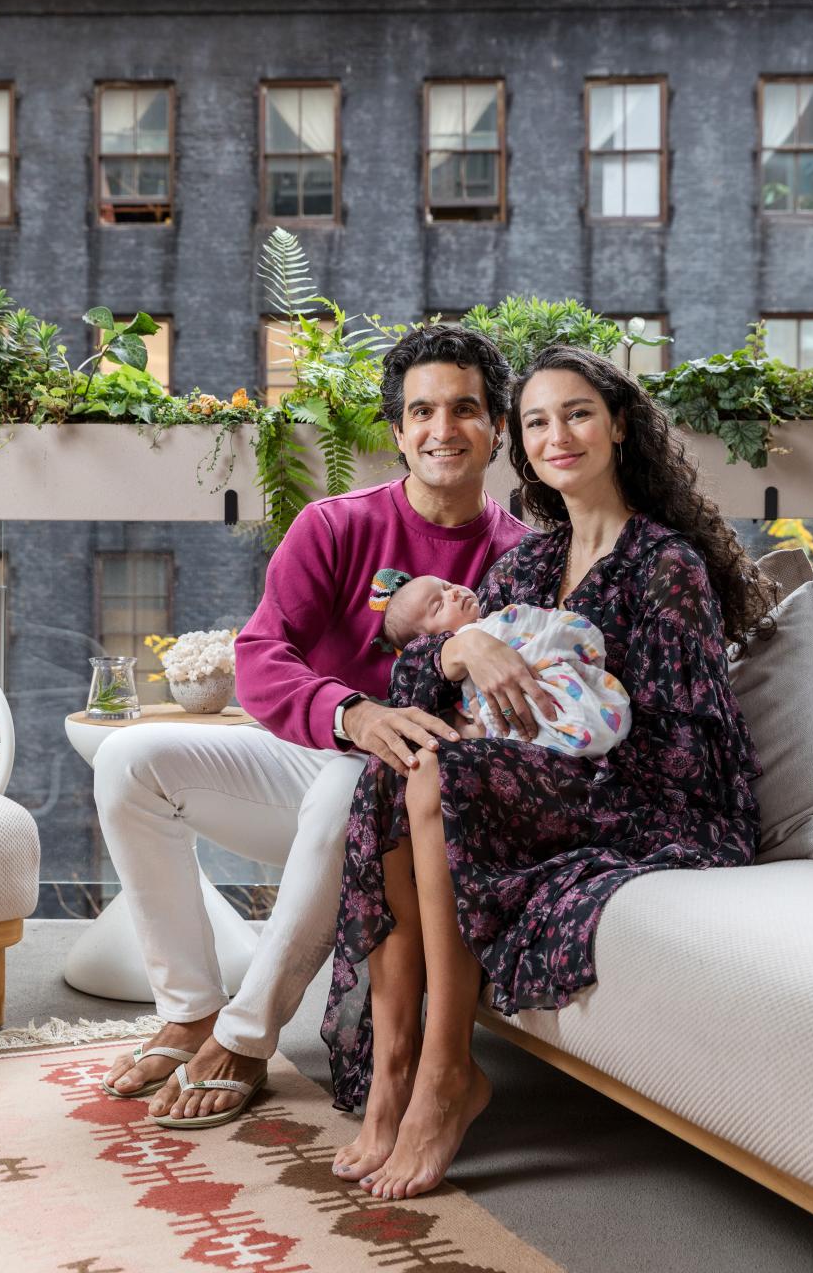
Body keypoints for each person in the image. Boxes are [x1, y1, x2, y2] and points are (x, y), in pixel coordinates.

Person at [322, 343, 777, 1200]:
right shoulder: (529, 559)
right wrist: (461, 644)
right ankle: (395, 1068)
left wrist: (536, 747)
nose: (556, 434)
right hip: (539, 782)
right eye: (536, 421)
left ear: (618, 427)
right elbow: (414, 688)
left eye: (575, 414)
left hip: (645, 800)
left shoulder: (663, 564)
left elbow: (687, 746)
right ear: (520, 443)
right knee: (398, 763)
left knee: (443, 777)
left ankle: (447, 1073)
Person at [94, 325, 526, 1128]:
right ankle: (189, 1008)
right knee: (128, 758)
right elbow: (260, 657)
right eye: (421, 411)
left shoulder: (525, 559)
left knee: (351, 787)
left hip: (411, 798)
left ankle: (247, 1036)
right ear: (396, 430)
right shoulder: (334, 525)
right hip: (312, 754)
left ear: (498, 426)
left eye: (465, 409)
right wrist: (349, 711)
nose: (443, 430)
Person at [379, 572, 631, 756]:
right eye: (439, 604)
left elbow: (547, 626)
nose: (453, 593)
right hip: (528, 722)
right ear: (429, 640)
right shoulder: (451, 663)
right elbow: (473, 707)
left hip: (557, 682)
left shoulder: (506, 617)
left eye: (447, 585)